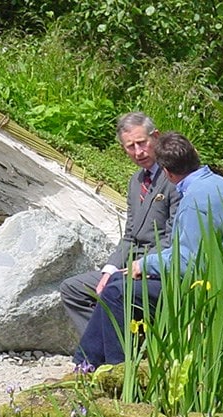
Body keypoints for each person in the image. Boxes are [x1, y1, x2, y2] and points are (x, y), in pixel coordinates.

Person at [74, 131, 223, 368]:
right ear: (194, 153)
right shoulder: (218, 183)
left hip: (203, 288)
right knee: (116, 281)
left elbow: (188, 261)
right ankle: (87, 363)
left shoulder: (193, 203)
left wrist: (144, 264)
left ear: (166, 172)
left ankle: (116, 369)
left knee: (117, 293)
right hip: (218, 278)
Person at [59, 112, 179, 336]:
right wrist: (109, 270)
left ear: (156, 137)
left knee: (115, 290)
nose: (138, 152)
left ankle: (114, 357)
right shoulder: (135, 181)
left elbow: (172, 237)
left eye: (142, 143)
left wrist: (142, 265)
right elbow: (130, 235)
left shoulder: (172, 176)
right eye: (130, 147)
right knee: (73, 289)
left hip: (157, 267)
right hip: (129, 266)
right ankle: (104, 352)